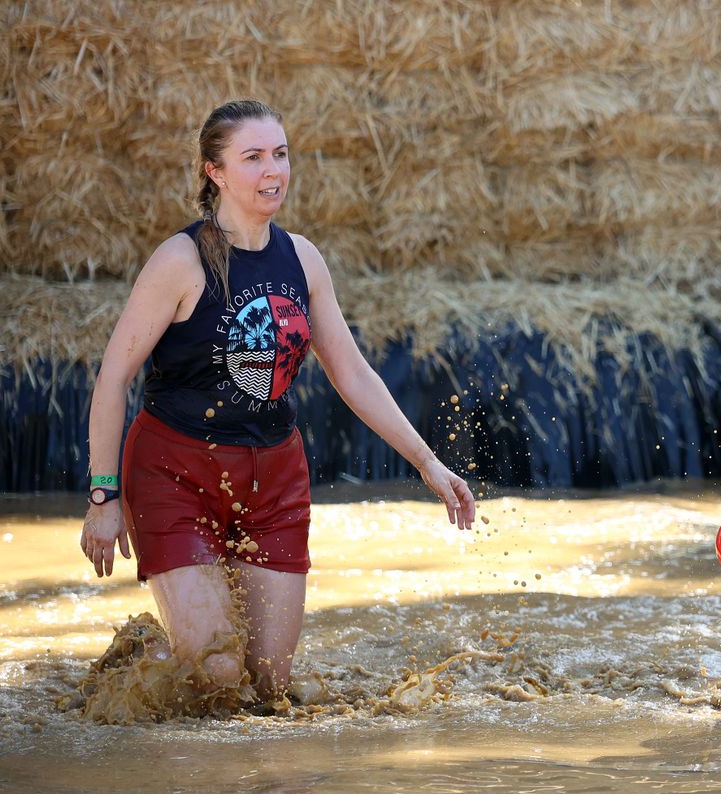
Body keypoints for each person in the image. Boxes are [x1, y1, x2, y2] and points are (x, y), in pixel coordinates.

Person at [78, 99, 475, 706]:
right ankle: (144, 663)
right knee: (217, 677)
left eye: (281, 154)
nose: (273, 170)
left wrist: (428, 462)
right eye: (254, 157)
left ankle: (164, 661)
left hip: (274, 480)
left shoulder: (302, 258)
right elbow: (112, 379)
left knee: (269, 689)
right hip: (175, 473)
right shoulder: (179, 261)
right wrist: (104, 497)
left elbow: (352, 373)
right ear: (215, 172)